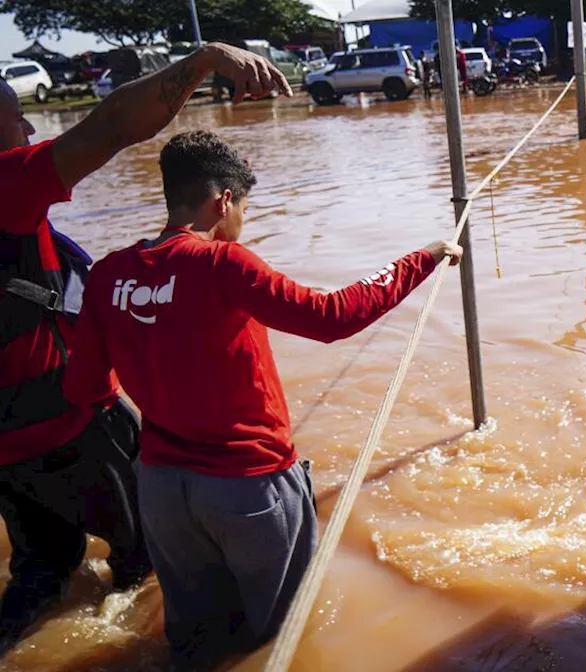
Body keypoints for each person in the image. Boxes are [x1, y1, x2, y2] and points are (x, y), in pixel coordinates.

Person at [61, 130, 464, 668]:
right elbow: (333, 316)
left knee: (194, 642)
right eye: (242, 209)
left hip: (161, 489)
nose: (240, 223)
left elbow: (85, 388)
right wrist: (426, 256)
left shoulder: (109, 274)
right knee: (285, 640)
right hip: (248, 485)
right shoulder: (223, 264)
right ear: (223, 200)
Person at [0, 42, 289, 654]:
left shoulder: (116, 268)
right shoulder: (6, 186)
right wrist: (203, 60)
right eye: (14, 115)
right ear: (224, 204)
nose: (28, 126)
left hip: (7, 453)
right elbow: (106, 128)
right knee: (149, 565)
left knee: (39, 573)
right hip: (67, 425)